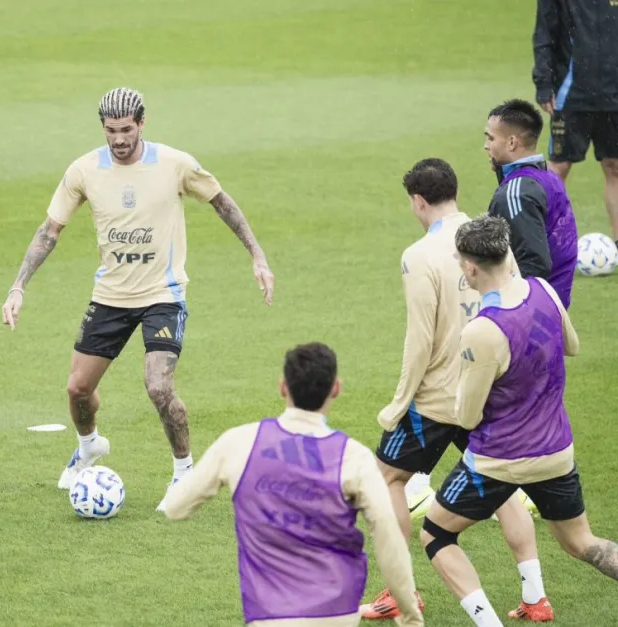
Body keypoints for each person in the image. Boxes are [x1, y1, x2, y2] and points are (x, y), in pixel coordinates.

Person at [0, 87, 274, 509]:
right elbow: (49, 231)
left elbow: (222, 203)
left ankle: (185, 473)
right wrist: (19, 286)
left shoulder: (175, 164)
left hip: (162, 294)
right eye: (111, 131)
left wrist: (257, 256)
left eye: (127, 129)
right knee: (77, 389)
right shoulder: (84, 171)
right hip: (110, 296)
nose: (120, 139)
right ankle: (89, 446)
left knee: (159, 386)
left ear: (142, 123)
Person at [362, 160, 548, 621]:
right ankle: (535, 597)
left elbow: (420, 339)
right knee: (501, 486)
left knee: (386, 479)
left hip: (440, 397)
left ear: (418, 201)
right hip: (490, 389)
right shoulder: (491, 234)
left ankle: (401, 594)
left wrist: (399, 401)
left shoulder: (419, 255)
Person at [421, 215, 618, 627]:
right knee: (582, 543)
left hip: (499, 459)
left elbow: (468, 416)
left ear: (471, 267)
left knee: (436, 535)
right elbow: (572, 346)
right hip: (556, 452)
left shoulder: (481, 331)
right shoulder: (544, 291)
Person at [162, 343, 423, 627]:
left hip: (269, 615)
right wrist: (409, 614)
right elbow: (389, 539)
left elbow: (176, 507)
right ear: (335, 389)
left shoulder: (238, 443)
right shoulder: (354, 456)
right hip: (338, 614)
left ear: (283, 387)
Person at [533, 0, 618, 243]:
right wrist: (543, 82)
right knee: (558, 168)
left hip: (614, 94)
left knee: (615, 166)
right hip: (571, 93)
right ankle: (552, 243)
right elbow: (544, 33)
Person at [485, 99, 577, 309]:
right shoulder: (548, 178)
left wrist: (511, 312)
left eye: (491, 138)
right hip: (554, 306)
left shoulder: (517, 192)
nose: (486, 145)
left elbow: (533, 264)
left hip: (531, 314)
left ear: (512, 142)